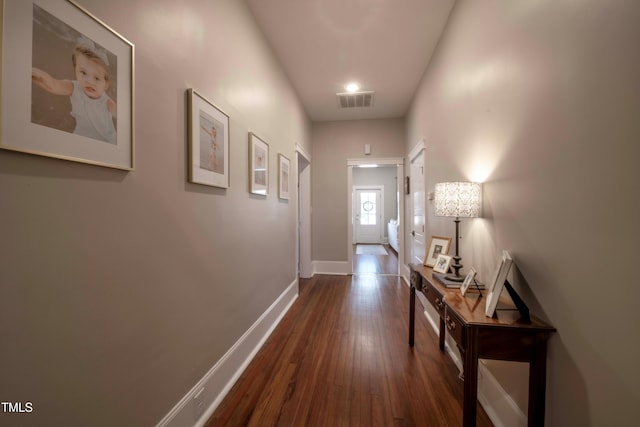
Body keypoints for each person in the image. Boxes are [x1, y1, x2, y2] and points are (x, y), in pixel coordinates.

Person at [32, 37, 117, 144]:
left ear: (106, 84)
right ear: (75, 70)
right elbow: (54, 85)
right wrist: (39, 75)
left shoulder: (107, 102)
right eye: (83, 73)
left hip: (106, 142)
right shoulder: (74, 87)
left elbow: (122, 118)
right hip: (81, 136)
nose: (89, 81)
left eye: (97, 78)